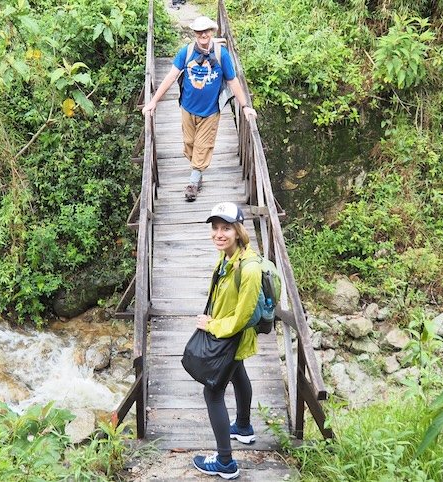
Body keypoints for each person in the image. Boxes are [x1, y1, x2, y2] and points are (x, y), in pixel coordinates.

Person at [141, 16, 257, 202]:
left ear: (211, 32)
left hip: (211, 111)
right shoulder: (186, 53)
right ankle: (197, 169)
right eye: (199, 31)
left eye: (206, 31)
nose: (203, 34)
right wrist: (153, 101)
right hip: (187, 108)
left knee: (203, 147)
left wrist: (245, 106)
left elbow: (233, 81)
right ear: (194, 33)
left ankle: (193, 182)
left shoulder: (222, 55)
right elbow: (171, 77)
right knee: (189, 145)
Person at [192, 201, 260, 480]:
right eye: (215, 228)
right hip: (232, 338)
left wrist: (212, 325)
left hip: (232, 336)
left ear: (239, 231)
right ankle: (243, 427)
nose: (219, 234)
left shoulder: (250, 269)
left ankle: (225, 462)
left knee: (213, 392)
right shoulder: (229, 257)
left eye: (226, 228)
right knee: (239, 374)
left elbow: (241, 318)